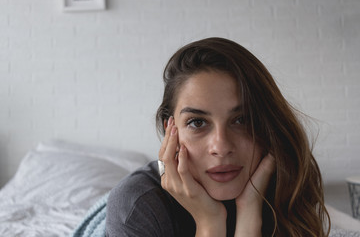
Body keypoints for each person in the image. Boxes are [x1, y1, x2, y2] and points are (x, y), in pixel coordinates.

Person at [105, 37, 330, 237]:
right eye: (197, 122)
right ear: (170, 132)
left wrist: (249, 214)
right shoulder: (135, 206)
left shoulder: (289, 183)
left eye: (242, 120)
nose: (221, 147)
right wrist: (209, 223)